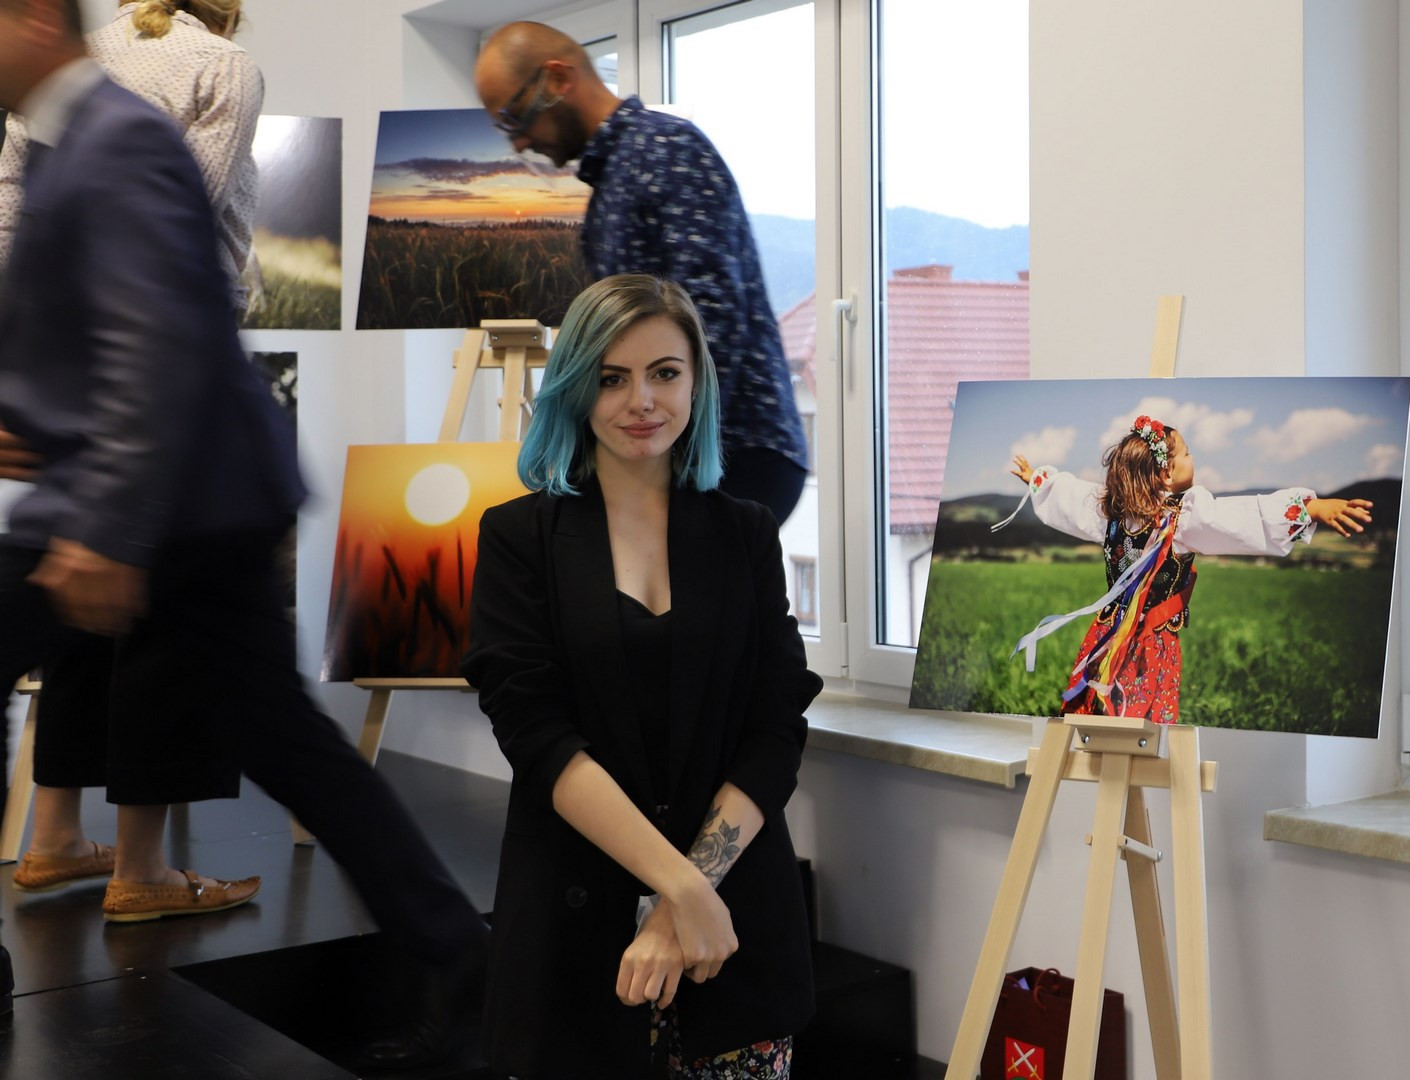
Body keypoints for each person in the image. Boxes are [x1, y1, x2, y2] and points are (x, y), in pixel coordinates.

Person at [0, 0, 486, 1068]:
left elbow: (158, 337)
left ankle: (463, 967)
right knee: (290, 743)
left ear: (34, 18)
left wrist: (108, 528)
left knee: (288, 744)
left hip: (181, 500)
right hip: (164, 492)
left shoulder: (118, 136)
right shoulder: (61, 140)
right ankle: (457, 957)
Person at [463, 274, 821, 1079]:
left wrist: (683, 903)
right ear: (574, 386)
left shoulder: (747, 533)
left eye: (664, 373)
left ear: (696, 383)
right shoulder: (518, 537)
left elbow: (776, 730)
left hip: (734, 932)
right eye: (612, 377)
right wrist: (680, 891)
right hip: (572, 934)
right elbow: (539, 739)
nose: (642, 401)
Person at [0, 0, 264, 901]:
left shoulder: (72, 69)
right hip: (168, 364)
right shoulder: (221, 65)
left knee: (76, 599)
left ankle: (55, 837)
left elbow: (10, 211)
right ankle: (144, 870)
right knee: (159, 613)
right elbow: (184, 214)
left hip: (61, 366)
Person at [474, 21, 811, 525]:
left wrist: (668, 451)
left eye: (515, 116)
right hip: (682, 452)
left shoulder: (667, 149)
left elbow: (711, 320)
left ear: (558, 79)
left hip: (730, 454)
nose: (520, 141)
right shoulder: (618, 174)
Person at [1002, 414, 1373, 722]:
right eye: (1188, 453)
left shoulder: (1109, 513)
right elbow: (1239, 518)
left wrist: (1040, 481)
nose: (1193, 459)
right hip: (1150, 644)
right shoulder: (1183, 519)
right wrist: (1310, 508)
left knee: (1102, 716)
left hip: (1105, 635)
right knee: (1140, 722)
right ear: (1166, 474)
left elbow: (1072, 499)